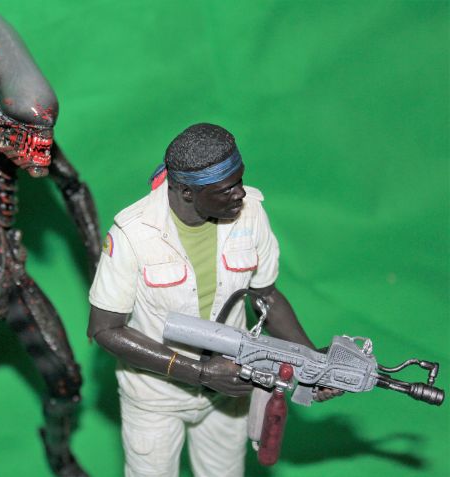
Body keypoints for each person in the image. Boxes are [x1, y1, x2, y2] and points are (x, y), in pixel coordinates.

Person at [88, 123, 339, 477]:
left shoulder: (250, 214)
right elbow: (104, 330)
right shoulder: (133, 235)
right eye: (227, 189)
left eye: (240, 181)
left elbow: (266, 297)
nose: (240, 194)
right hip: (156, 396)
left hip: (229, 391)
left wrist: (312, 362)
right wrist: (200, 372)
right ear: (187, 192)